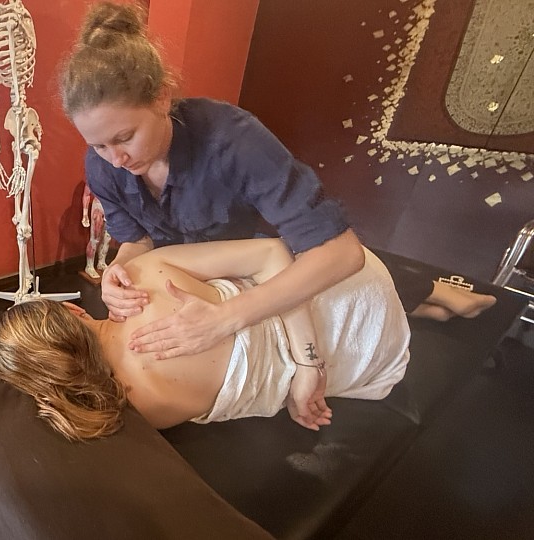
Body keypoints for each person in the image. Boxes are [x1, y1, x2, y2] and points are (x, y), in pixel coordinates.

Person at [57, 2, 495, 362]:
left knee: (348, 286)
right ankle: (430, 302)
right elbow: (137, 240)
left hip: (271, 251)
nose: (116, 159)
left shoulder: (232, 139)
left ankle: (432, 292)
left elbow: (340, 252)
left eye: (124, 138)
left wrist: (227, 318)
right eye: (98, 145)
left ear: (161, 98)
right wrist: (119, 271)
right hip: (205, 267)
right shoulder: (104, 166)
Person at [0, 239, 411, 441]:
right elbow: (272, 254)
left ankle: (433, 301)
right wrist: (308, 361)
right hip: (354, 285)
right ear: (74, 311)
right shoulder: (145, 275)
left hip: (373, 360)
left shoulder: (134, 410)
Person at [81, 181, 112, 281]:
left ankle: (101, 262)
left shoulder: (116, 174)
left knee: (107, 238)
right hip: (99, 207)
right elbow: (86, 194)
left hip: (111, 208)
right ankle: (89, 266)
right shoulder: (94, 175)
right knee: (95, 239)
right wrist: (85, 214)